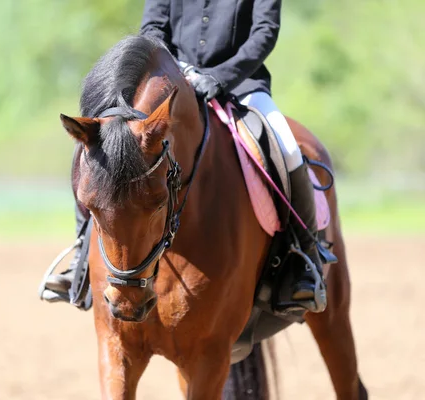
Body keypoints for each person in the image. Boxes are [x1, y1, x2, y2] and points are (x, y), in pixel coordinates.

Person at [41, 0, 326, 312]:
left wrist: (219, 77)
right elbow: (152, 30)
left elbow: (264, 33)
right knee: (98, 146)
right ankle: (82, 256)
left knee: (283, 142)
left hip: (241, 85)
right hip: (171, 86)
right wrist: (175, 72)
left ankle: (303, 260)